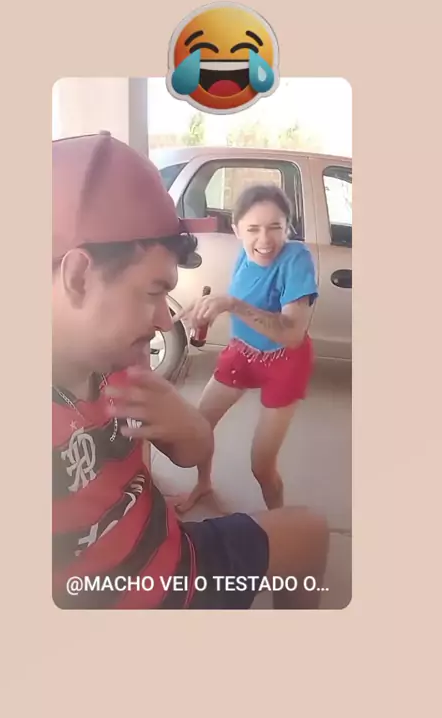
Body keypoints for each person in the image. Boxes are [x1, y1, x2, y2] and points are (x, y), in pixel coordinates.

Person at [52, 131, 328, 610]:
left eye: (275, 228)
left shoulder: (120, 368)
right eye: (153, 291)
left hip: (173, 549)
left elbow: (289, 334)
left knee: (299, 518)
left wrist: (186, 426)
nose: (165, 320)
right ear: (78, 277)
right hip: (149, 596)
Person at [174, 184, 318, 514]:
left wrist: (232, 305)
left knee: (261, 465)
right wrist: (210, 305)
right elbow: (243, 296)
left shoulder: (296, 259)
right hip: (243, 352)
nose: (264, 240)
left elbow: (292, 333)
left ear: (287, 227)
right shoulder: (244, 254)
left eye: (274, 227)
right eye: (253, 229)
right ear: (237, 229)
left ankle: (279, 521)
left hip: (285, 361)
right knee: (200, 429)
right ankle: (203, 484)